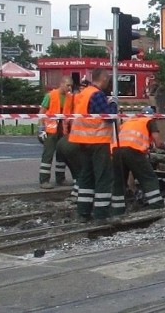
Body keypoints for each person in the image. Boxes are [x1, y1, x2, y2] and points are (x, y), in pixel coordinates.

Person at [67, 69, 117, 223]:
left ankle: (83, 211)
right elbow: (109, 117)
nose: (109, 82)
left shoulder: (83, 93)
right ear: (103, 78)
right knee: (103, 177)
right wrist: (114, 103)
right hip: (98, 141)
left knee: (86, 176)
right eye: (108, 80)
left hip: (82, 141)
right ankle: (101, 213)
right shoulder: (97, 94)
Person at [110, 118, 165, 216]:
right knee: (149, 178)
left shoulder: (129, 121)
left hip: (116, 150)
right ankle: (157, 206)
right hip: (133, 150)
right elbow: (158, 143)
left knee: (119, 181)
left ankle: (117, 211)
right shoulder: (150, 121)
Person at [37, 77, 74, 189]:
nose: (69, 88)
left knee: (61, 156)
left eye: (71, 86)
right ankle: (44, 180)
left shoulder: (69, 98)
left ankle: (60, 179)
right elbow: (42, 112)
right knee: (48, 155)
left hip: (62, 130)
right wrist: (41, 129)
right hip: (50, 130)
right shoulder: (50, 95)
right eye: (68, 85)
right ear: (61, 84)